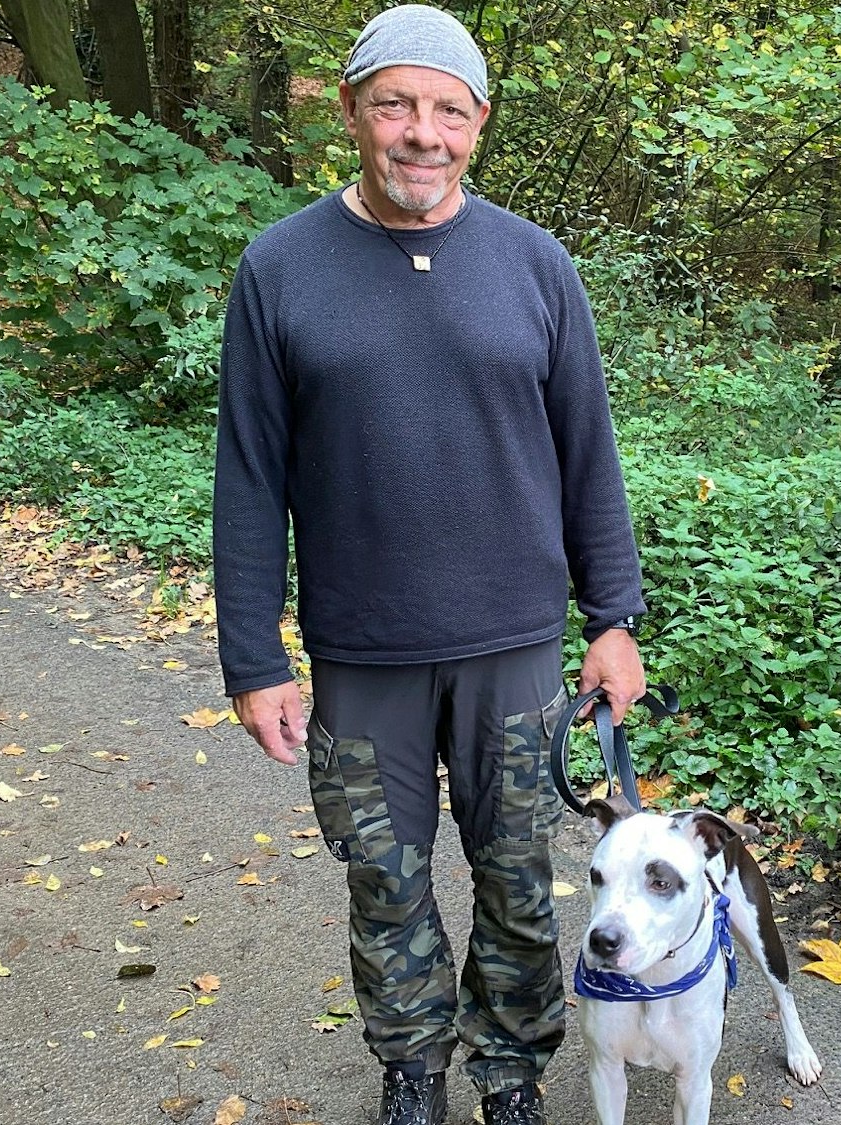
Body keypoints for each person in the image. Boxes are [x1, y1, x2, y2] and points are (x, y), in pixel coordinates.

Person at [211, 6, 648, 1124]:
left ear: (478, 123)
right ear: (352, 110)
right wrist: (253, 658)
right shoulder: (281, 268)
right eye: (396, 105)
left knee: (517, 878)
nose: (423, 133)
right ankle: (413, 1068)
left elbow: (588, 453)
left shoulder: (534, 265)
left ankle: (510, 1072)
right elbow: (250, 477)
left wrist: (613, 618)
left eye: (448, 111)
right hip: (363, 653)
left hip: (514, 648)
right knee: (384, 879)